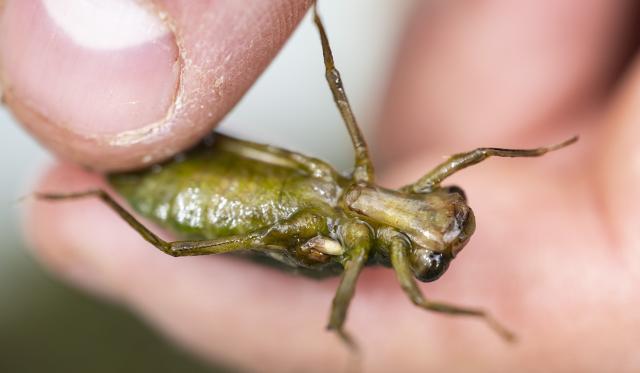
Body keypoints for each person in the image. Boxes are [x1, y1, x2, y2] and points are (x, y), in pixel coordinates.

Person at [2, 0, 639, 371]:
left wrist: (360, 341)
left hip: (234, 202)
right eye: (446, 204)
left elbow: (402, 306)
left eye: (430, 249)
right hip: (243, 168)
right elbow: (476, 151)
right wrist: (547, 152)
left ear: (412, 258)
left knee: (176, 248)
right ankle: (94, 185)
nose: (429, 218)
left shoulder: (359, 250)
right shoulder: (370, 207)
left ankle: (93, 192)